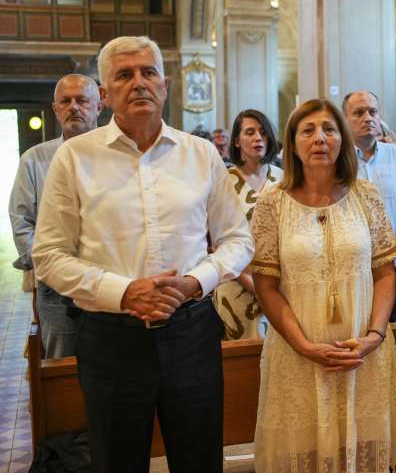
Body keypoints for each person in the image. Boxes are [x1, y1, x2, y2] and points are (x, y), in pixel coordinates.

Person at [31, 36, 254, 473]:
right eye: (124, 75)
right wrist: (124, 292)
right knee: (118, 461)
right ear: (105, 92)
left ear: (165, 85)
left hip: (191, 332)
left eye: (148, 72)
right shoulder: (75, 157)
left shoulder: (200, 154)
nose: (139, 83)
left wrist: (194, 282)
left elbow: (237, 240)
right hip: (111, 339)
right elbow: (50, 255)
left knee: (200, 459)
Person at [249, 98, 396, 472]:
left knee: (364, 447)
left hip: (363, 353)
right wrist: (304, 346)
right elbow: (266, 285)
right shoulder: (273, 201)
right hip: (297, 355)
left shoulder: (366, 194)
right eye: (308, 130)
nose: (319, 138)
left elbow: (385, 272)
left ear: (342, 139)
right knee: (305, 450)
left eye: (329, 129)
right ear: (292, 144)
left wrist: (375, 335)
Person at [9, 73, 102, 358]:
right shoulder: (34, 159)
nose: (74, 107)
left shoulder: (118, 156)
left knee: (112, 363)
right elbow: (22, 220)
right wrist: (49, 267)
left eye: (82, 100)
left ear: (99, 106)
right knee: (63, 363)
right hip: (58, 289)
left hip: (109, 280)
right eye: (65, 101)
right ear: (55, 109)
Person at [343, 90, 396, 321]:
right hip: (354, 271)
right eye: (358, 113)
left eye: (372, 112)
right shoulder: (337, 160)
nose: (368, 118)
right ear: (345, 119)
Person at [215, 109, 283, 340]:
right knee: (243, 358)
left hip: (281, 287)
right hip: (237, 285)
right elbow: (218, 243)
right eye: (250, 132)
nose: (258, 138)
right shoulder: (223, 181)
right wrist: (255, 286)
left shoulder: (283, 178)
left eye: (263, 133)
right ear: (236, 141)